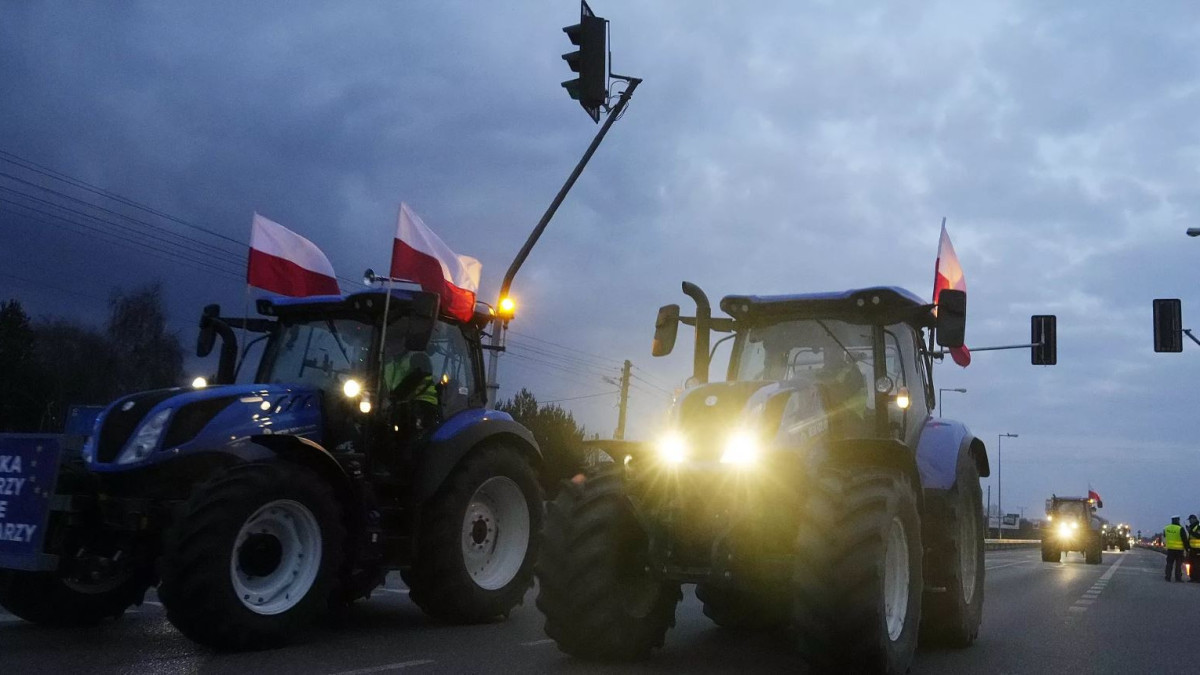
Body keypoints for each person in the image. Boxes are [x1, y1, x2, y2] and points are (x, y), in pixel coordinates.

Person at [1163, 515, 1187, 582]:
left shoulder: (1166, 528)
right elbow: (1184, 539)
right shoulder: (1180, 528)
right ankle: (1178, 578)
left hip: (1170, 549)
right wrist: (1187, 549)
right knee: (1178, 565)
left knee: (1169, 563)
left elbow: (1164, 537)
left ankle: (1168, 577)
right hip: (1179, 550)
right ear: (1178, 520)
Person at [1188, 515, 1200, 583]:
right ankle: (1192, 578)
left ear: (1194, 519)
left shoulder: (1198, 526)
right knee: (1191, 563)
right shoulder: (1191, 527)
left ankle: (1198, 578)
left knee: (1197, 564)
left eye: (1190, 519)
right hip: (1192, 548)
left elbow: (1198, 536)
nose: (1189, 521)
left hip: (1198, 548)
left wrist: (1190, 531)